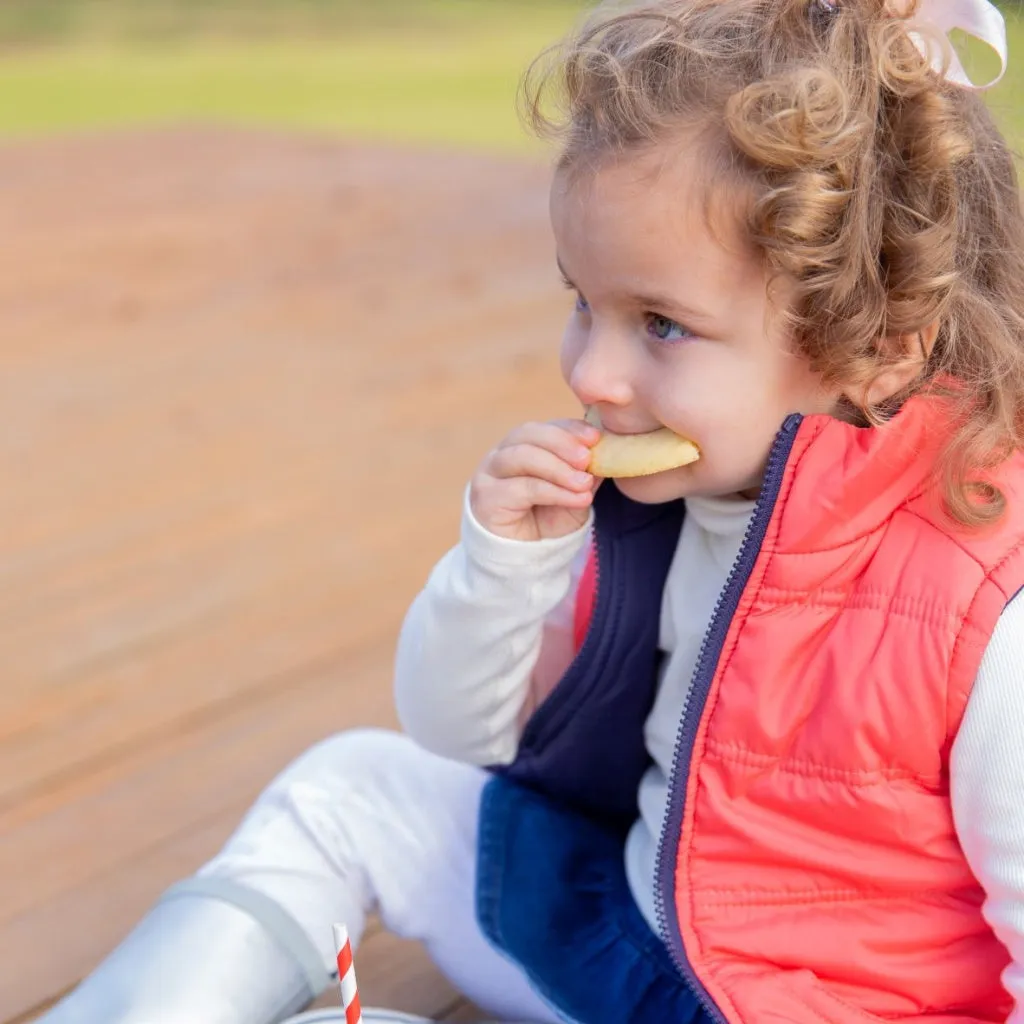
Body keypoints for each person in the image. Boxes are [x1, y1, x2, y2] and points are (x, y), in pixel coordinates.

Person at [40, 0, 1024, 1020]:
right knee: (349, 786)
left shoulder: (983, 605)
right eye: (580, 302)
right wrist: (501, 568)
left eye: (662, 326)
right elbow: (456, 733)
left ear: (873, 346)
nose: (593, 372)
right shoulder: (670, 499)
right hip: (636, 938)